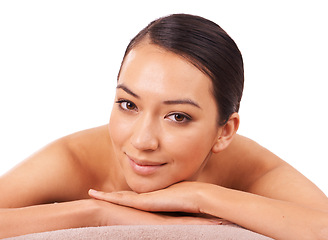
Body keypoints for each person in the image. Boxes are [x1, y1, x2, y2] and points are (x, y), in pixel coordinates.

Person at [0, 13, 327, 239]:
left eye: (178, 116)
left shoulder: (252, 169)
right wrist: (95, 214)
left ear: (224, 131)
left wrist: (200, 197)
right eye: (129, 105)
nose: (142, 140)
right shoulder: (73, 159)